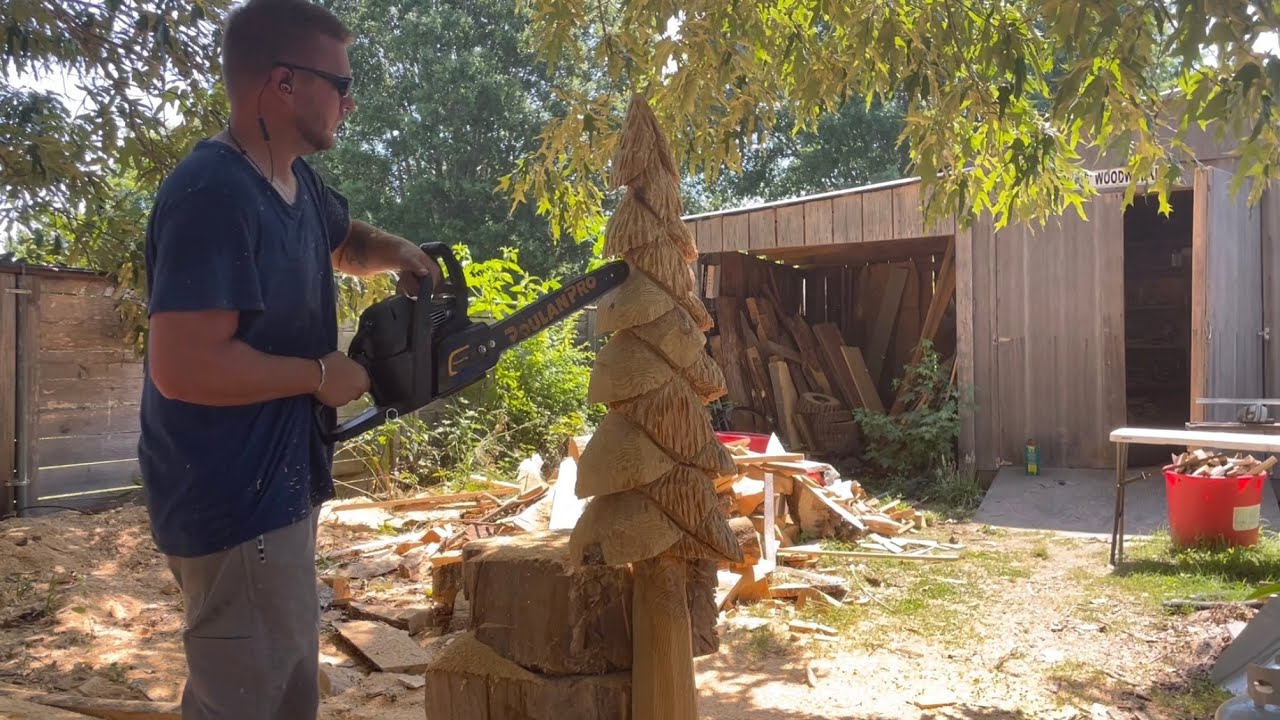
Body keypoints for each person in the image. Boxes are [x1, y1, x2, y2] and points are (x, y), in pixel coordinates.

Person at [137, 1, 441, 717]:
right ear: (282, 83)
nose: (349, 101)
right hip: (231, 496)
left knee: (285, 686)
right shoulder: (214, 195)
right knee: (247, 698)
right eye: (339, 84)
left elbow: (341, 239)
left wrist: (394, 251)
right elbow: (181, 366)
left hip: (276, 485)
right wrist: (317, 375)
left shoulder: (294, 183)